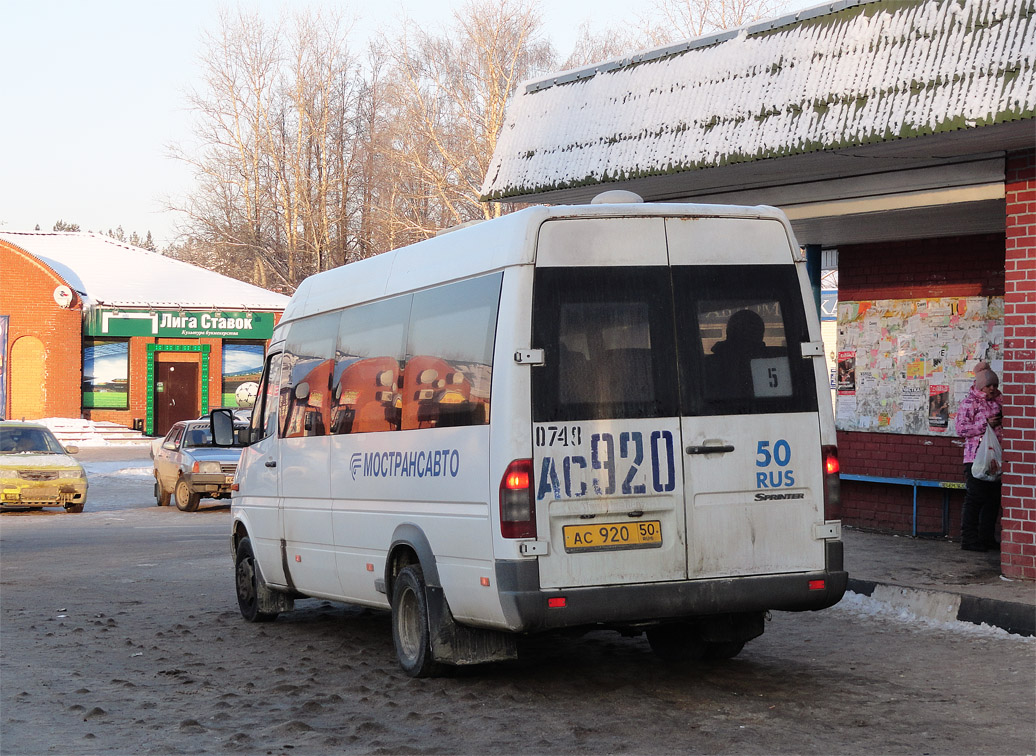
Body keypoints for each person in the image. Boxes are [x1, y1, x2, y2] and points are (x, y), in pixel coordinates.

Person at [953, 369, 1004, 552]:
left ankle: (987, 538)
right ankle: (969, 539)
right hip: (975, 458)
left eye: (995, 385)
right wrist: (985, 425)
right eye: (989, 385)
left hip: (995, 459)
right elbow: (961, 429)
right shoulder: (970, 403)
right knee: (975, 499)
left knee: (993, 500)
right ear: (980, 385)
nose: (992, 388)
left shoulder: (999, 401)